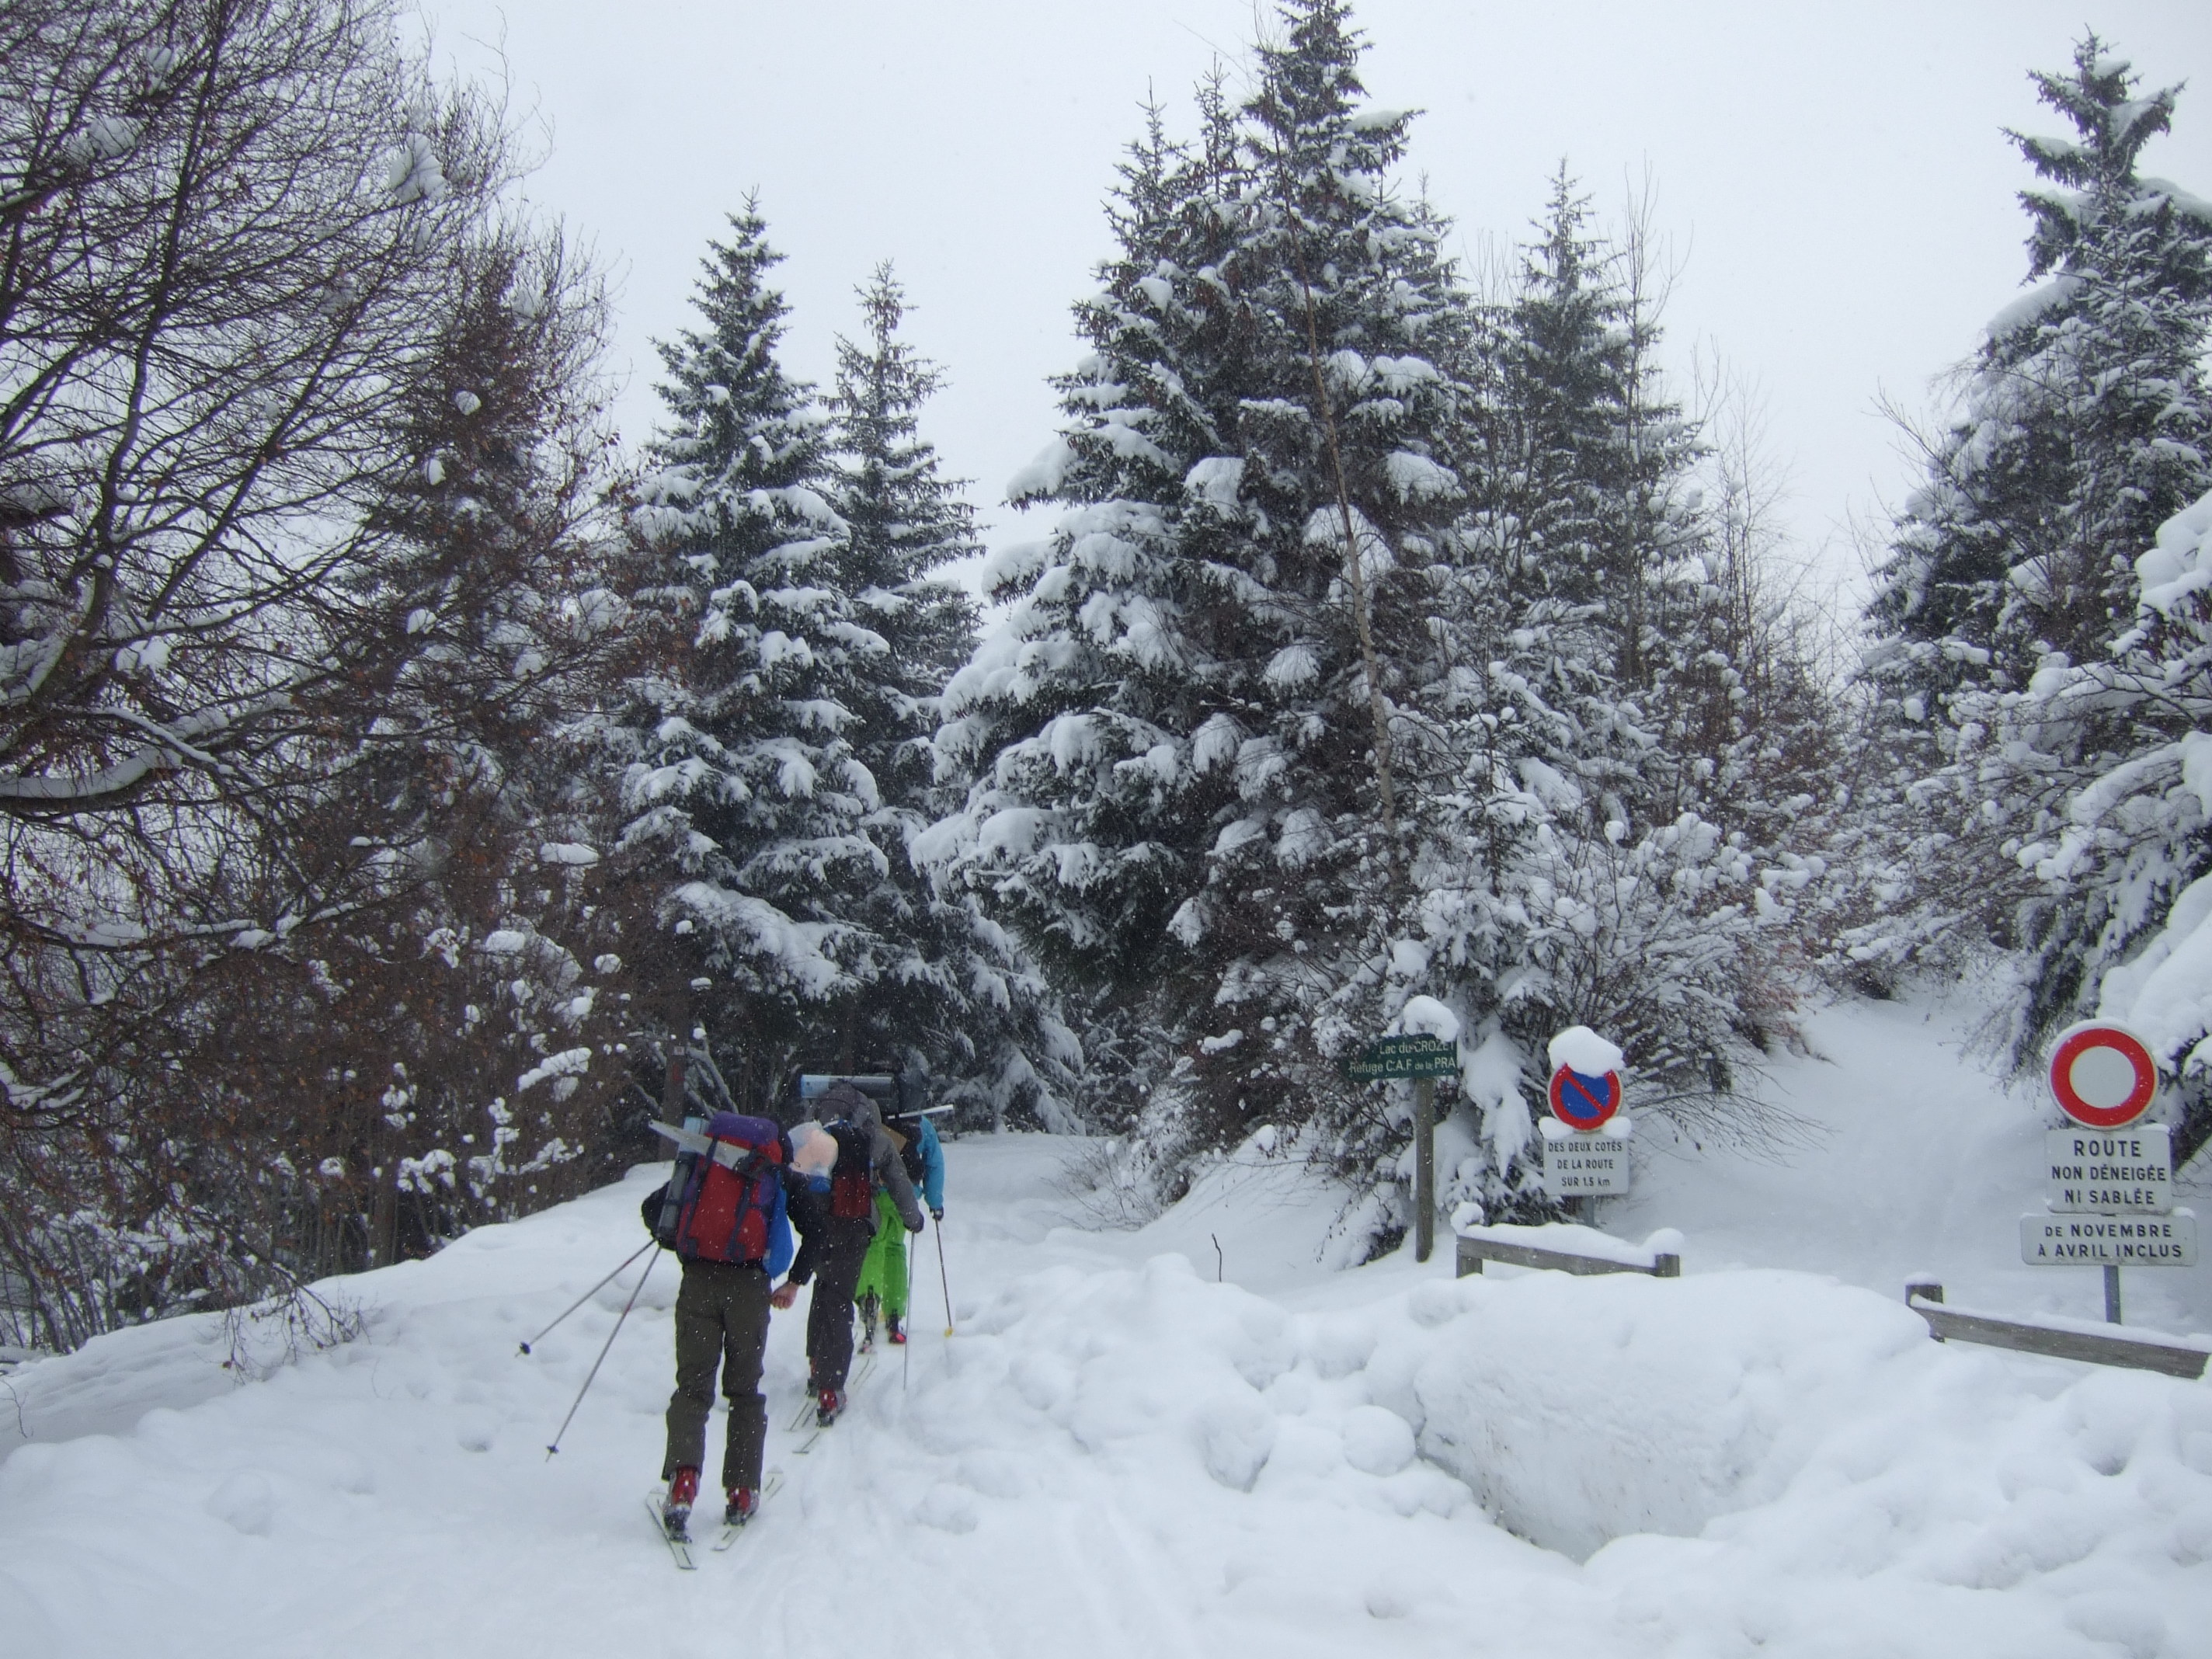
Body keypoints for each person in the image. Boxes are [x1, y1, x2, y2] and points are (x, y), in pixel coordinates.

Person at [639, 1110, 798, 1540]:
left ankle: (683, 1483)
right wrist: (783, 1276)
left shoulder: (705, 1161)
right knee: (744, 1391)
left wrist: (691, 1245)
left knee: (693, 1388)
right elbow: (790, 1245)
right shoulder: (771, 1174)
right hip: (749, 1288)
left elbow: (654, 1210)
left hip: (698, 1281)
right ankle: (742, 1491)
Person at [780, 1081, 922, 1424]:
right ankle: (831, 1388)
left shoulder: (814, 1136)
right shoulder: (875, 1139)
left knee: (822, 1290)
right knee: (839, 1299)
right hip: (855, 1226)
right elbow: (898, 1180)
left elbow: (791, 1173)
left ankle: (816, 1365)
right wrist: (912, 1218)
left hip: (819, 1225)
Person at [855, 1106, 944, 1347]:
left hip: (873, 1192)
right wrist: (935, 1202)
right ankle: (894, 1312)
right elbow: (934, 1162)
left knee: (873, 1245)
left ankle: (869, 1298)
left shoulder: (869, 1117)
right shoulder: (918, 1122)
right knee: (895, 1249)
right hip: (904, 1194)